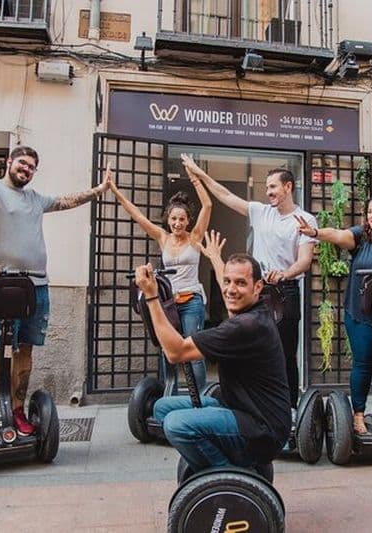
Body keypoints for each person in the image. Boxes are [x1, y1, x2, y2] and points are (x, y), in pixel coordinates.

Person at [0, 145, 109, 442]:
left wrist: (98, 190)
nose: (26, 170)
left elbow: (65, 201)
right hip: (2, 284)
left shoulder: (35, 199)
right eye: (22, 164)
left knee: (25, 349)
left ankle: (19, 411)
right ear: (9, 162)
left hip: (36, 286)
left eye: (31, 167)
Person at [135, 240, 291, 472]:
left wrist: (151, 296)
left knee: (176, 424)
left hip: (262, 429)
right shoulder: (251, 310)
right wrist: (216, 259)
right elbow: (230, 292)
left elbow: (175, 352)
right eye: (228, 281)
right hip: (238, 407)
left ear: (258, 287)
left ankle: (230, 476)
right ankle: (229, 464)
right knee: (161, 408)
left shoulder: (247, 326)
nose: (230, 289)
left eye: (240, 283)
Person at [181, 154, 317, 410]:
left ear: (288, 187)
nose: (268, 192)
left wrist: (284, 274)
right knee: (249, 349)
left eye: (273, 187)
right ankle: (253, 404)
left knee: (283, 355)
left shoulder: (305, 220)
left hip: (285, 292)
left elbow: (305, 261)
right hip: (256, 293)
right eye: (266, 188)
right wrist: (199, 172)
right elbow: (225, 195)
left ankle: (288, 411)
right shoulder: (260, 211)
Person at [297, 192, 372, 436]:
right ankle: (358, 415)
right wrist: (316, 233)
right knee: (363, 363)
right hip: (361, 313)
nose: (371, 215)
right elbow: (339, 235)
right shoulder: (361, 237)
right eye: (369, 211)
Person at [107, 157, 212, 391]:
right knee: (169, 350)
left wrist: (194, 176)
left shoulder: (194, 238)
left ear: (188, 221)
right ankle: (170, 396)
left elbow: (208, 206)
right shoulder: (163, 237)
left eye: (182, 219)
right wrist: (114, 190)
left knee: (193, 351)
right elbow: (137, 215)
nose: (177, 223)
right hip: (168, 303)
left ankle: (203, 397)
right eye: (173, 219)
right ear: (168, 219)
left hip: (192, 300)